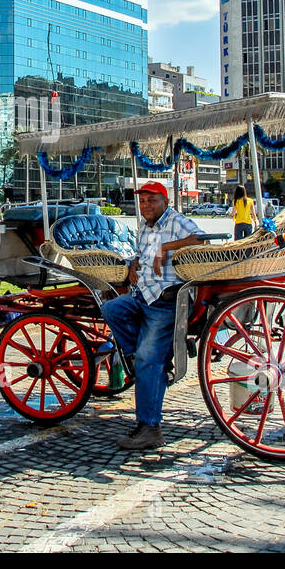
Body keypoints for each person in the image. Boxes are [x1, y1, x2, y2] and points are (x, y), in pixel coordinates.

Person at [100, 181, 202, 451]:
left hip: (167, 300)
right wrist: (134, 263)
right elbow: (141, 255)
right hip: (142, 295)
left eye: (151, 200)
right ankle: (142, 359)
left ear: (165, 201)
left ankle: (150, 428)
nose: (146, 206)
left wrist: (166, 247)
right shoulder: (144, 227)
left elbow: (200, 240)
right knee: (111, 309)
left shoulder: (177, 222)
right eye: (142, 201)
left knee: (149, 359)